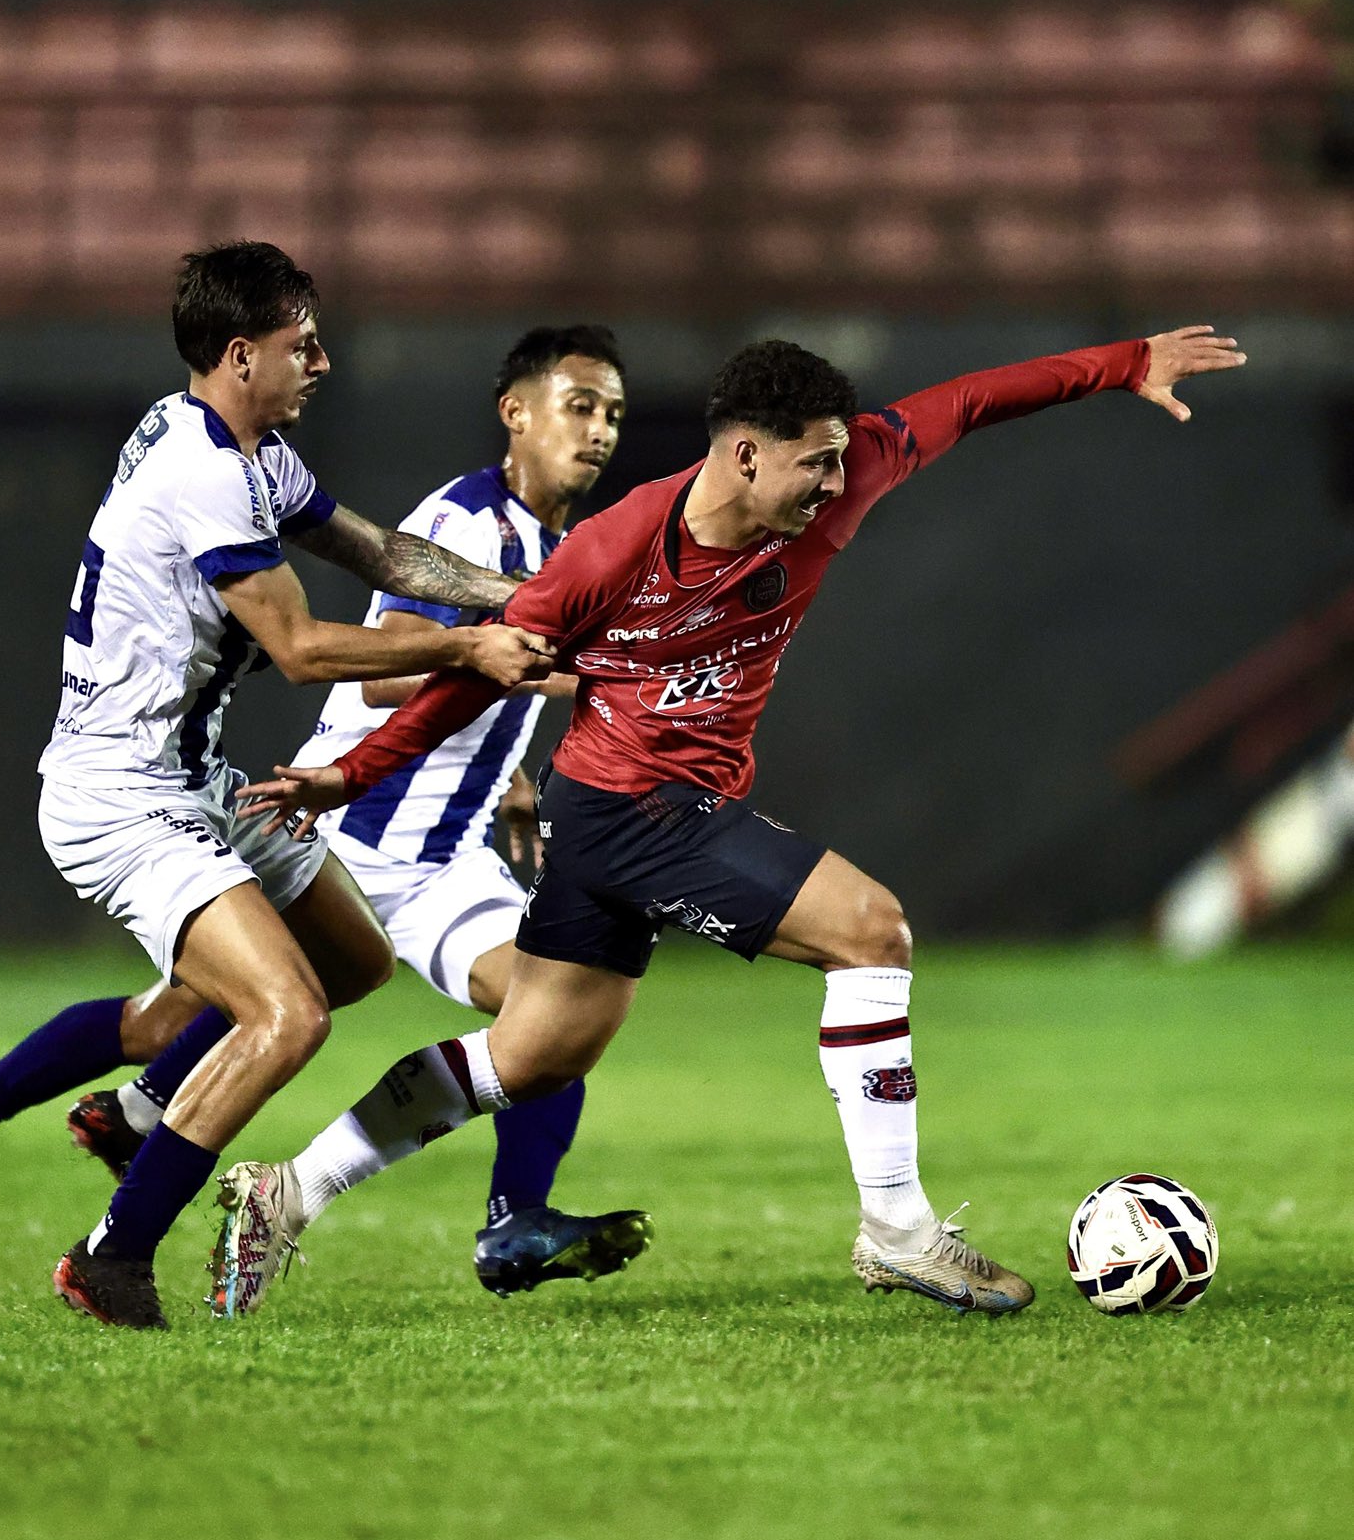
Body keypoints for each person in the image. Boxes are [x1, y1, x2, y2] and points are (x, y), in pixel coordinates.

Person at [221, 325, 1246, 1320]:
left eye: (841, 461)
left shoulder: (847, 473)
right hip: (634, 807)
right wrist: (349, 772)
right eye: (814, 465)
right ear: (745, 453)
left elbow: (970, 401)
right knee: (869, 929)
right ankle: (894, 1226)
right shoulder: (609, 547)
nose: (835, 483)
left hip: (605, 809)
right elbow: (481, 672)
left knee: (530, 1054)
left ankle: (291, 1189)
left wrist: (1124, 363)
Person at [0, 241, 553, 1331]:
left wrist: (530, 601)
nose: (321, 361)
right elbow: (309, 647)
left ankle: (64, 1114)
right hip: (116, 792)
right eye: (299, 345)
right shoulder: (207, 472)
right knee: (285, 1014)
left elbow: (388, 557)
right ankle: (111, 1257)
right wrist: (465, 651)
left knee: (343, 963)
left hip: (190, 774)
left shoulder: (243, 445)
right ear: (238, 354)